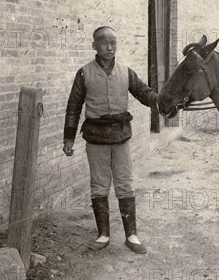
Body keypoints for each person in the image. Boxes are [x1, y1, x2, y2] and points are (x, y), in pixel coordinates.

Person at [63, 26, 158, 254]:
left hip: (121, 136)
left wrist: (162, 101)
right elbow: (73, 108)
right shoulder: (84, 73)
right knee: (99, 185)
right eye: (104, 43)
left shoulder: (126, 72)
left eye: (113, 42)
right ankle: (103, 234)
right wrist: (68, 138)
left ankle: (131, 235)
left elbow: (145, 93)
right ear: (94, 45)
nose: (109, 47)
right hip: (96, 138)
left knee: (125, 183)